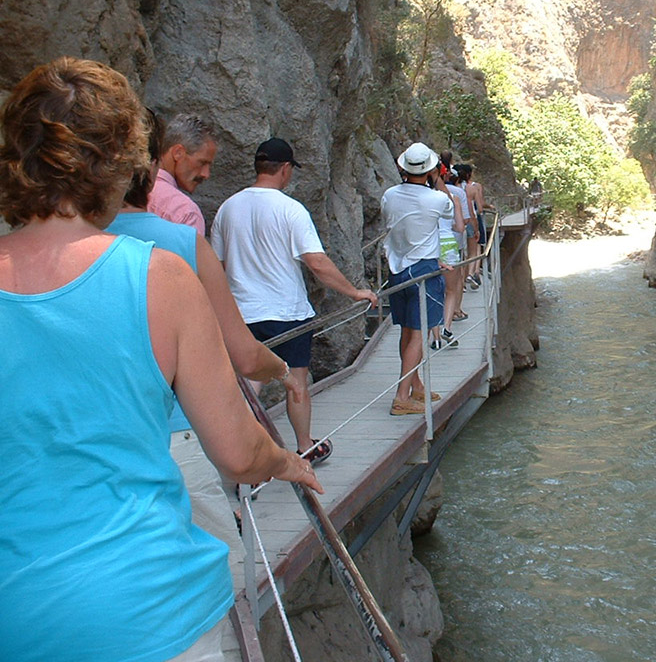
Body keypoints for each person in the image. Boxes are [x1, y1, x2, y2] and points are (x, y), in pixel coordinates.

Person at [0, 57, 321, 662]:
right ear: (121, 161)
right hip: (149, 608)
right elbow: (237, 451)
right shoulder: (158, 276)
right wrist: (286, 461)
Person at [107, 110, 302, 553]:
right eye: (203, 163)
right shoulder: (181, 227)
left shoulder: (65, 246)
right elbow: (244, 355)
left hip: (101, 441)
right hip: (173, 428)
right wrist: (283, 376)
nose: (207, 174)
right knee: (220, 567)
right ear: (156, 161)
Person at [211, 138, 378, 461]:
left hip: (242, 313)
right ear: (285, 169)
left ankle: (237, 453)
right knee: (296, 382)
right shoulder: (290, 209)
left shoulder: (228, 208)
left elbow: (217, 264)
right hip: (287, 313)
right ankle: (304, 447)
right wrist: (355, 291)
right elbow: (317, 262)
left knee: (249, 383)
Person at [381, 142, 454, 415]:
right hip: (423, 270)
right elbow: (450, 208)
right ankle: (401, 397)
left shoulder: (389, 195)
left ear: (403, 168)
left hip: (397, 269)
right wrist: (437, 179)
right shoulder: (436, 199)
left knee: (407, 330)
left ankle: (416, 386)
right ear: (431, 169)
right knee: (418, 334)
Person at [149, 113, 218, 236]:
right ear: (178, 152)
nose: (206, 174)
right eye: (202, 163)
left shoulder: (128, 193)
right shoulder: (185, 212)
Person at [430, 167, 466, 350]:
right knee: (450, 291)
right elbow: (460, 228)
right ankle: (447, 328)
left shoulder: (424, 198)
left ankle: (435, 337)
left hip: (431, 246)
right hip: (449, 244)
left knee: (434, 291)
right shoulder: (453, 199)